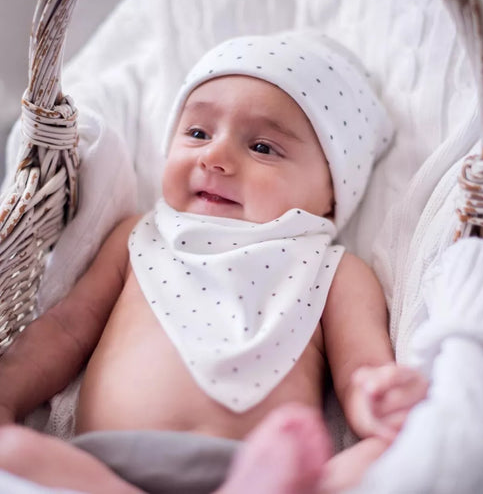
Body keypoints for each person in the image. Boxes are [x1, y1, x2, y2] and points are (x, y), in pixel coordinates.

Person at [0, 32, 428, 493]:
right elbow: (66, 328)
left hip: (254, 463)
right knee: (14, 452)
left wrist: (376, 397)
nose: (215, 157)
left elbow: (361, 366)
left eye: (263, 147)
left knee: (396, 452)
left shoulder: (335, 269)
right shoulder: (139, 236)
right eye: (198, 133)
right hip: (107, 469)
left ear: (332, 194)